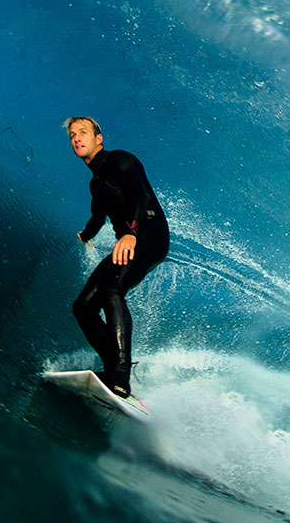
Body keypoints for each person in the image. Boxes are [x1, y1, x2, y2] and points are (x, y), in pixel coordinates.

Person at [66, 116, 168, 398]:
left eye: (83, 132)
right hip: (129, 241)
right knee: (83, 306)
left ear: (99, 138)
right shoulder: (96, 185)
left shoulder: (122, 161)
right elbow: (98, 216)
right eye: (72, 135)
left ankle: (120, 379)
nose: (77, 138)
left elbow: (140, 198)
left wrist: (131, 232)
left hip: (150, 236)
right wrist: (85, 237)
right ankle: (113, 367)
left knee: (112, 289)